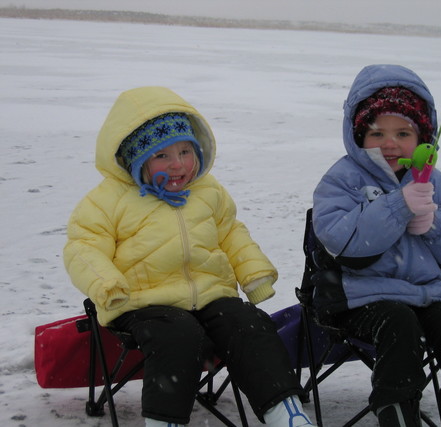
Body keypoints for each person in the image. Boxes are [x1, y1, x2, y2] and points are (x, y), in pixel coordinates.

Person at [63, 86, 315, 427]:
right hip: (142, 301)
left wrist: (252, 272)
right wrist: (106, 283)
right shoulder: (107, 201)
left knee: (249, 324)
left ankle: (286, 413)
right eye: (162, 156)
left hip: (210, 295)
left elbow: (230, 233)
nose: (178, 164)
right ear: (138, 159)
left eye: (185, 151)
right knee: (178, 336)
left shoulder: (208, 191)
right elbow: (84, 247)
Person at [311, 64, 441, 427]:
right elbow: (341, 241)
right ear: (358, 134)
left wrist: (435, 224)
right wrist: (397, 206)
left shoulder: (436, 182)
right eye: (377, 132)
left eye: (403, 132)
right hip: (362, 297)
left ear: (423, 137)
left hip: (429, 295)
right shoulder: (342, 179)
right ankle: (396, 409)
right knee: (398, 322)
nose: (390, 143)